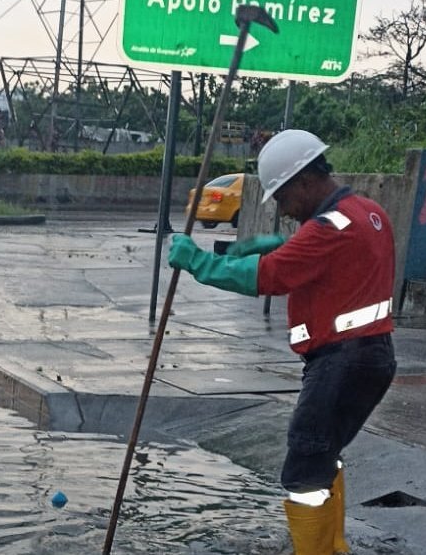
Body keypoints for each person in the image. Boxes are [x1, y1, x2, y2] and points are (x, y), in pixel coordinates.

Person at [168, 129, 396, 555]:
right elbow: (329, 265)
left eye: (282, 197)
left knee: (305, 466)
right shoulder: (367, 210)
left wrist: (198, 261)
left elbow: (266, 277)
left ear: (306, 182)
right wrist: (279, 246)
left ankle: (315, 552)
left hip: (341, 361)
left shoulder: (327, 229)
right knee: (324, 453)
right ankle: (333, 547)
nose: (282, 210)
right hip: (373, 357)